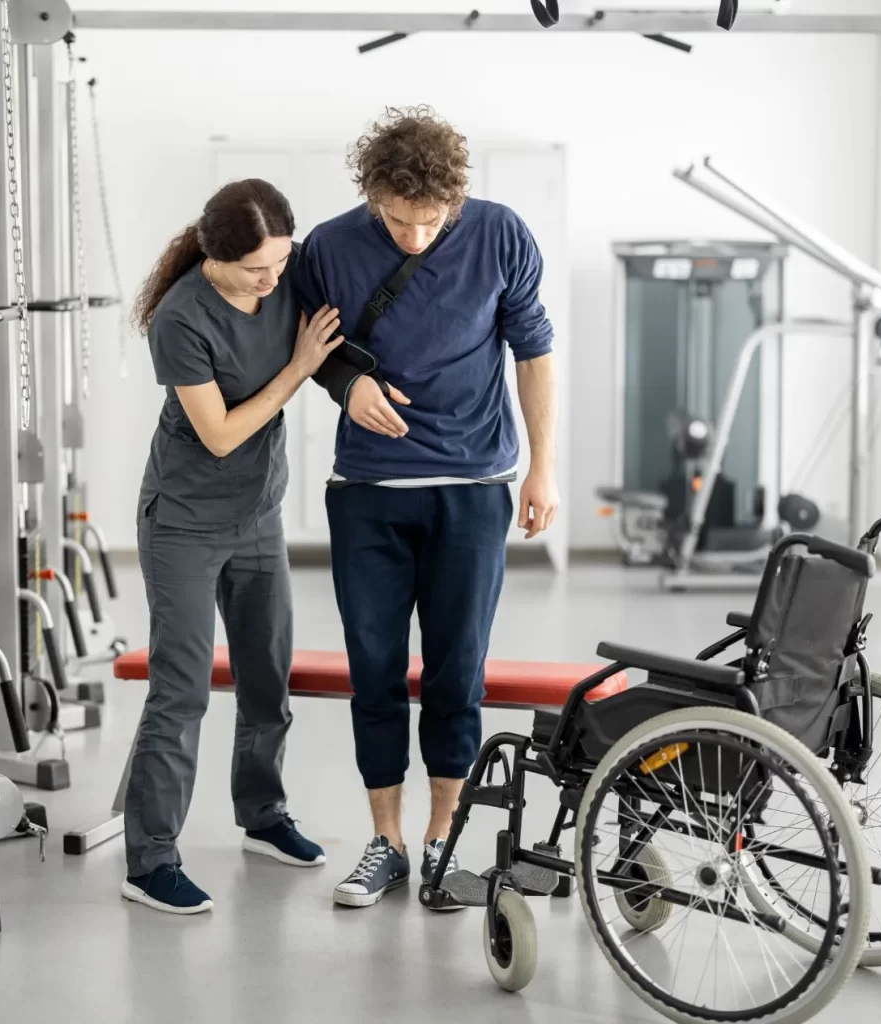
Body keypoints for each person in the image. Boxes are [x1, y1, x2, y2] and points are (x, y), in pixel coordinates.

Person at [293, 106, 560, 909]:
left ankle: (442, 841)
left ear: (458, 198)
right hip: (368, 493)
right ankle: (387, 842)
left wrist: (542, 468)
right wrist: (350, 384)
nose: (414, 236)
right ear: (372, 194)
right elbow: (313, 353)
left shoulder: (502, 234)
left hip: (474, 490)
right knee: (374, 673)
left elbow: (534, 348)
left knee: (456, 673)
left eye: (431, 222)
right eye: (398, 220)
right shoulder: (329, 248)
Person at [123, 179, 343, 915]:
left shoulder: (286, 270)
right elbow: (219, 434)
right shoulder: (181, 318)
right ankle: (149, 861)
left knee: (267, 678)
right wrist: (296, 370)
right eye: (259, 270)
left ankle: (264, 815)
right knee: (181, 693)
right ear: (217, 258)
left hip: (258, 516)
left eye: (281, 263)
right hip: (183, 520)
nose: (275, 280)